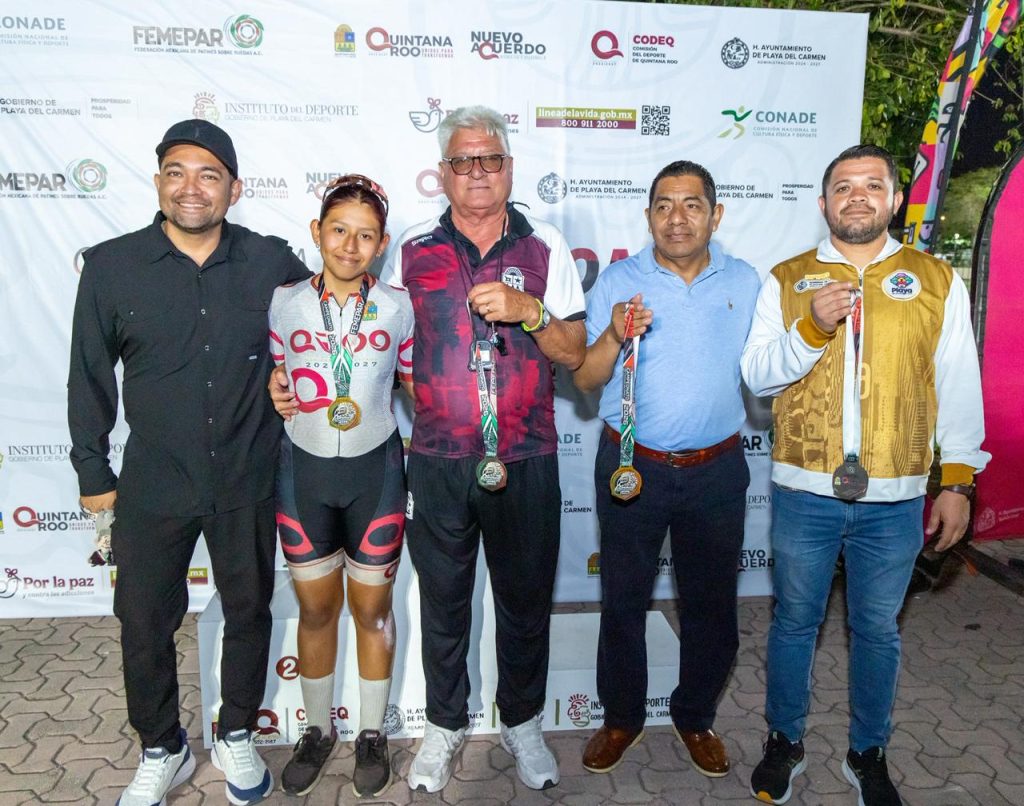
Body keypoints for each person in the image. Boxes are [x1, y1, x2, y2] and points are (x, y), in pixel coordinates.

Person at [67, 119, 310, 806]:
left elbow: (322, 330)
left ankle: (237, 733)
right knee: (144, 620)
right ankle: (162, 746)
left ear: (234, 188)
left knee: (249, 611)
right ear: (157, 183)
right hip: (154, 482)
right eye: (176, 172)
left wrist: (288, 380)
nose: (191, 187)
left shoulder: (271, 261)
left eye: (208, 174)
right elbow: (89, 375)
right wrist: (92, 473)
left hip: (246, 477)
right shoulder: (112, 266)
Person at [741, 144, 989, 806]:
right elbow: (756, 375)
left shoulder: (935, 279)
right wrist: (811, 328)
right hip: (804, 492)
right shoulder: (788, 278)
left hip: (896, 497)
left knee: (878, 630)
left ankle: (867, 752)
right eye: (843, 186)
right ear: (823, 202)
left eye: (872, 185)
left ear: (895, 199)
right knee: (795, 622)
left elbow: (958, 385)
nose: (857, 196)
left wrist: (958, 481)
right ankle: (784, 741)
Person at [385, 104, 585, 793]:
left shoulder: (545, 245)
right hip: (437, 460)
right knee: (444, 603)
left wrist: (532, 312)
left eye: (490, 159)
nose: (478, 171)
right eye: (463, 160)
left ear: (509, 168)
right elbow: (386, 347)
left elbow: (575, 350)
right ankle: (444, 725)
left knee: (524, 603)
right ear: (442, 173)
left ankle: (522, 721)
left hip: (526, 457)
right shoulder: (410, 248)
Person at [573, 161, 760, 779]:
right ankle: (621, 718)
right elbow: (586, 378)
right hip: (632, 466)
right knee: (623, 600)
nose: (677, 218)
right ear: (648, 214)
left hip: (716, 470)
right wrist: (613, 335)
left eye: (691, 204)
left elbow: (769, 367)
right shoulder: (618, 280)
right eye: (663, 205)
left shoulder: (746, 281)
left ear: (716, 214)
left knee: (712, 607)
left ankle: (695, 716)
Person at [269, 174, 413, 798]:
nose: (350, 246)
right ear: (316, 232)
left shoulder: (399, 306)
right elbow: (278, 372)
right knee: (316, 609)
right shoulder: (284, 302)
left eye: (366, 236)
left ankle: (372, 734)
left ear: (382, 244)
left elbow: (415, 385)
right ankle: (318, 730)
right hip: (302, 473)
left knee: (372, 611)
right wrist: (276, 386)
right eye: (338, 230)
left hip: (374, 473)